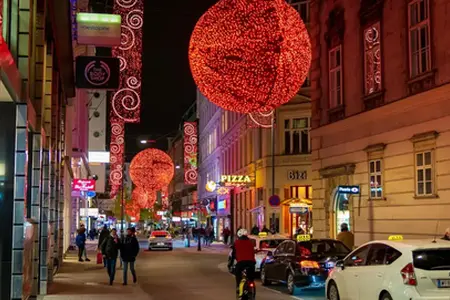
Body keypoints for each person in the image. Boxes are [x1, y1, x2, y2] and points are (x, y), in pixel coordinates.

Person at [229, 228, 256, 298]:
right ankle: (251, 286)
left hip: (241, 262)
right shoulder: (251, 242)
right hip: (251, 263)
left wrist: (230, 264)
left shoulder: (237, 242)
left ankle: (239, 287)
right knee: (251, 277)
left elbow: (233, 255)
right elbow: (253, 253)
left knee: (238, 274)